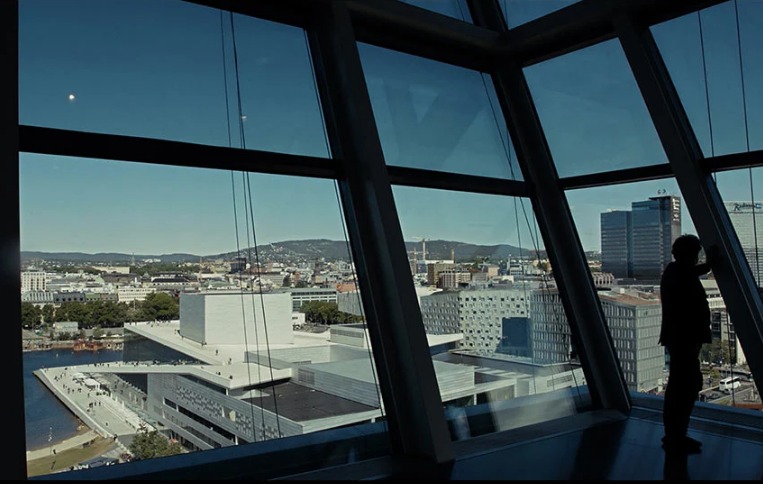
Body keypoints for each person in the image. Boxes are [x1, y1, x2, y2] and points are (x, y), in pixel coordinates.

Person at [659, 234, 718, 453]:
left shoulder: (675, 272)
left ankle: (675, 435)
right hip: (685, 339)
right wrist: (711, 262)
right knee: (685, 387)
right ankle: (676, 436)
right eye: (695, 254)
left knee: (681, 386)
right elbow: (693, 272)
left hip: (682, 339)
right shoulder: (679, 273)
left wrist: (709, 264)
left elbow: (694, 271)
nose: (696, 258)